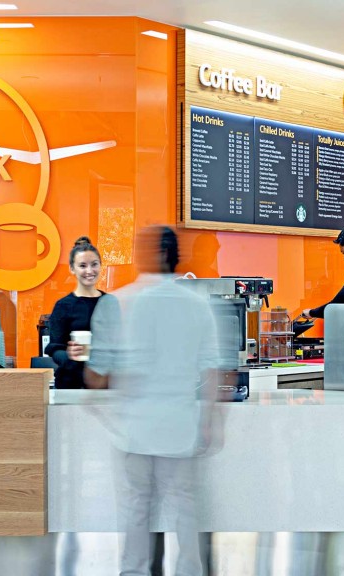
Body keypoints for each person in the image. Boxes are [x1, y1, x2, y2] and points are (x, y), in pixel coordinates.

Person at [85, 226, 221, 576]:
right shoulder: (197, 304)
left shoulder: (117, 302)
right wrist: (208, 422)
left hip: (134, 430)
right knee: (185, 510)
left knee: (136, 511)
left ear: (155, 254)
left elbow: (96, 376)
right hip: (180, 427)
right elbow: (213, 369)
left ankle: (134, 572)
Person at [44, 236, 105, 389]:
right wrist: (69, 354)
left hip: (103, 385)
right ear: (72, 268)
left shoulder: (110, 303)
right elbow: (55, 349)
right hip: (71, 385)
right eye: (82, 265)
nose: (89, 271)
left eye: (94, 264)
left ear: (100, 265)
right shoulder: (63, 306)